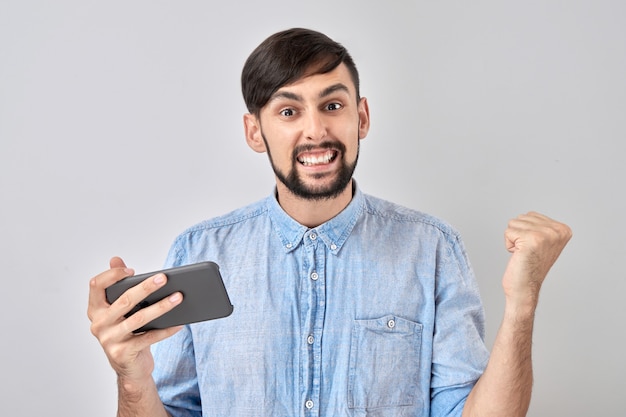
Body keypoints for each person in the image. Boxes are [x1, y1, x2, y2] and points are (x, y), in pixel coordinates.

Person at [88, 28, 572, 417]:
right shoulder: (199, 250)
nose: (315, 129)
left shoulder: (433, 248)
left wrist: (523, 303)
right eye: (288, 110)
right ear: (255, 131)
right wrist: (132, 379)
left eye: (332, 105)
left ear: (361, 118)